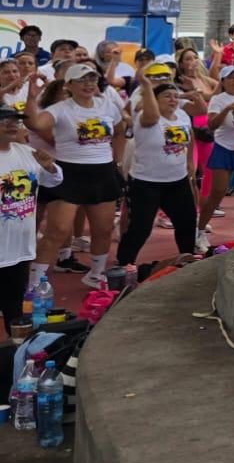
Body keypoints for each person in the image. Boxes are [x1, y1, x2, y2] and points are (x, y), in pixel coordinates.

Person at [26, 63, 129, 290]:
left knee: (102, 230)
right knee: (58, 230)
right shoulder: (61, 108)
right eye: (82, 80)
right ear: (69, 85)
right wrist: (32, 97)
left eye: (92, 79)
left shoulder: (107, 105)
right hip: (69, 173)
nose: (88, 84)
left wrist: (118, 160)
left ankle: (96, 274)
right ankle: (34, 283)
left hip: (102, 172)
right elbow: (34, 123)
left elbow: (121, 130)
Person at [117, 69, 198, 264]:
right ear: (154, 99)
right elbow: (152, 116)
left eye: (175, 96)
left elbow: (190, 136)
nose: (172, 100)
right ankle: (123, 265)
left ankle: (188, 260)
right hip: (146, 183)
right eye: (166, 96)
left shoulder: (182, 116)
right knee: (140, 229)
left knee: (187, 223)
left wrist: (189, 163)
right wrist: (145, 84)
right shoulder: (146, 117)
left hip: (177, 181)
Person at [0, 110, 60, 337]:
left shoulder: (26, 153)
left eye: (15, 120)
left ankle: (18, 360)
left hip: (20, 248)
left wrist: (50, 167)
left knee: (16, 313)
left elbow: (54, 180)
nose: (12, 124)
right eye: (4, 120)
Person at [198, 67, 234, 233]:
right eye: (231, 77)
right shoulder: (218, 99)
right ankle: (199, 230)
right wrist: (228, 108)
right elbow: (211, 125)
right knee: (218, 191)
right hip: (224, 148)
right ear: (223, 81)